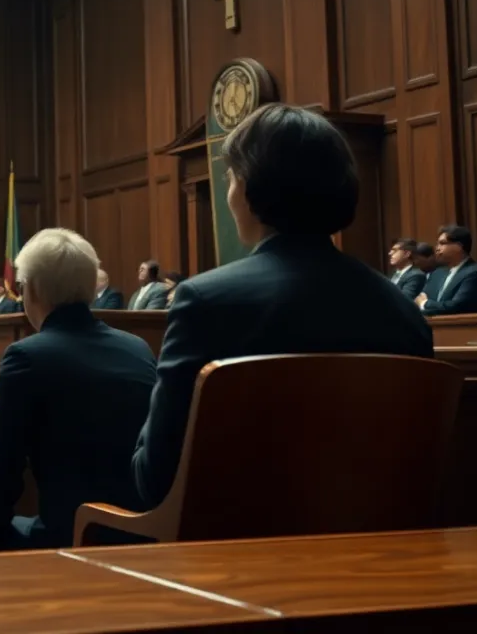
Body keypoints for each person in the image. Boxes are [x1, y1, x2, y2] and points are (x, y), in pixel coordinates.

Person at [132, 104, 434, 510]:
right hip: (377, 556)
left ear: (250, 187)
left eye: (230, 178)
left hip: (227, 557)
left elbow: (155, 479)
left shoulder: (205, 302)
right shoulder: (405, 313)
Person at [0, 228, 156, 553]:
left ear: (34, 290)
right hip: (145, 531)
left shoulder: (26, 356)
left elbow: (2, 467)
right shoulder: (137, 348)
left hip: (75, 536)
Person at [416, 225, 477, 316]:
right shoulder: (437, 273)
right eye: (438, 244)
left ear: (459, 246)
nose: (437, 248)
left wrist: (426, 304)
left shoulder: (476, 274)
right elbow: (419, 299)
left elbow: (458, 306)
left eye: (442, 243)